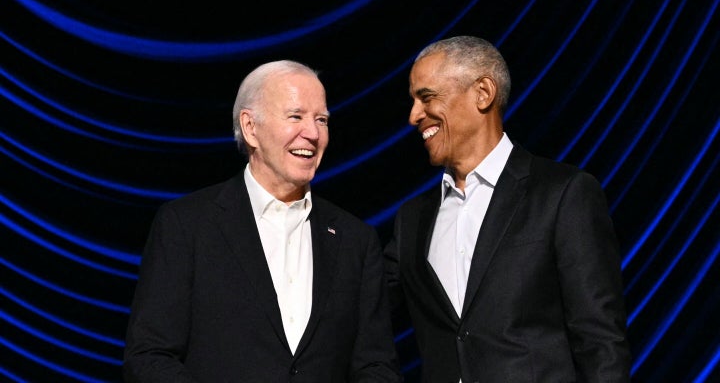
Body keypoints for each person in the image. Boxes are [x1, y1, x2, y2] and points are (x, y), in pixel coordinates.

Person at [124, 60, 402, 382]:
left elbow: (376, 367)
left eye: (321, 120)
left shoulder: (356, 240)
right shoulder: (187, 226)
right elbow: (149, 356)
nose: (312, 133)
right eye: (296, 116)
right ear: (250, 127)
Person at [384, 36, 632, 382]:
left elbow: (600, 341)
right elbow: (361, 305)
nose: (413, 116)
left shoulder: (562, 194)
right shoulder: (412, 220)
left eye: (426, 97)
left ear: (483, 93)